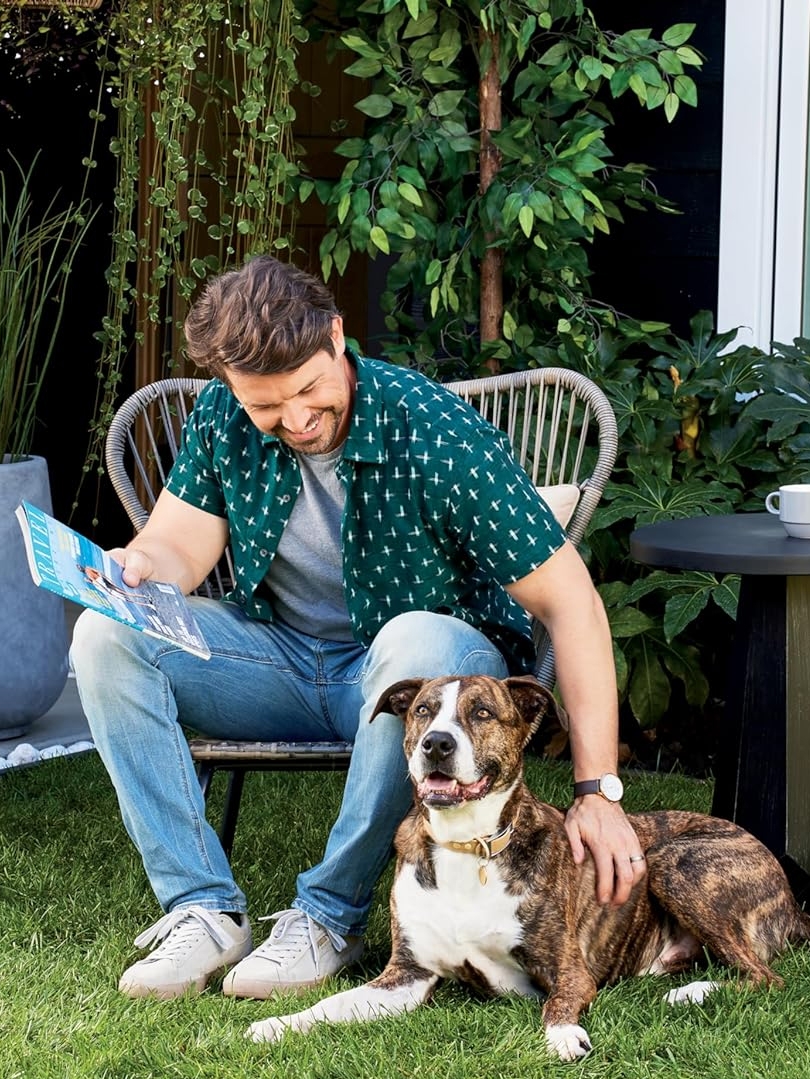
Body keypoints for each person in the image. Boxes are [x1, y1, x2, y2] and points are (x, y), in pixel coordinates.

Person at [71, 255, 642, 1001]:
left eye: (308, 390)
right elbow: (178, 546)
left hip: (425, 681)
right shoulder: (220, 417)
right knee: (105, 635)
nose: (296, 420)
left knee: (412, 641)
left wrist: (598, 792)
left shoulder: (432, 430)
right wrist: (140, 564)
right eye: (266, 406)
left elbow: (574, 603)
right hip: (281, 663)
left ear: (337, 337)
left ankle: (327, 918)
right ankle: (202, 909)